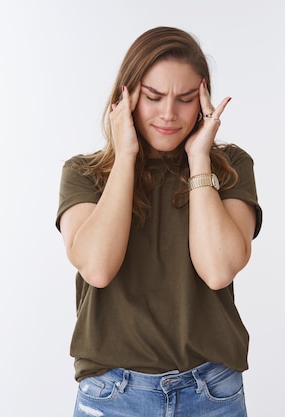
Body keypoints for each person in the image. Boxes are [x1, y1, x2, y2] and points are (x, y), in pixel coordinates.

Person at [56, 26, 262, 417]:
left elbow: (218, 270)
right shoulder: (84, 174)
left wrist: (200, 159)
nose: (169, 113)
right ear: (126, 95)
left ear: (202, 100)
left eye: (185, 99)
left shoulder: (232, 167)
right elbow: (98, 269)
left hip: (211, 392)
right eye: (153, 97)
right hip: (112, 394)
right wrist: (126, 158)